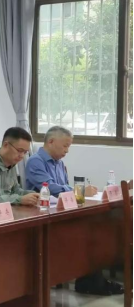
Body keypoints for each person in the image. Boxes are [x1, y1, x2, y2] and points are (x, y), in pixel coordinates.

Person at [25, 126, 120, 296]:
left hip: (61, 213)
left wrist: (78, 192)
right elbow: (51, 188)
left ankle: (92, 281)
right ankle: (89, 281)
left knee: (95, 231)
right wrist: (80, 191)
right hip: (42, 218)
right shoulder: (35, 161)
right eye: (65, 146)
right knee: (85, 235)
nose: (67, 151)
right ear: (51, 141)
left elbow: (65, 190)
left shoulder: (60, 163)